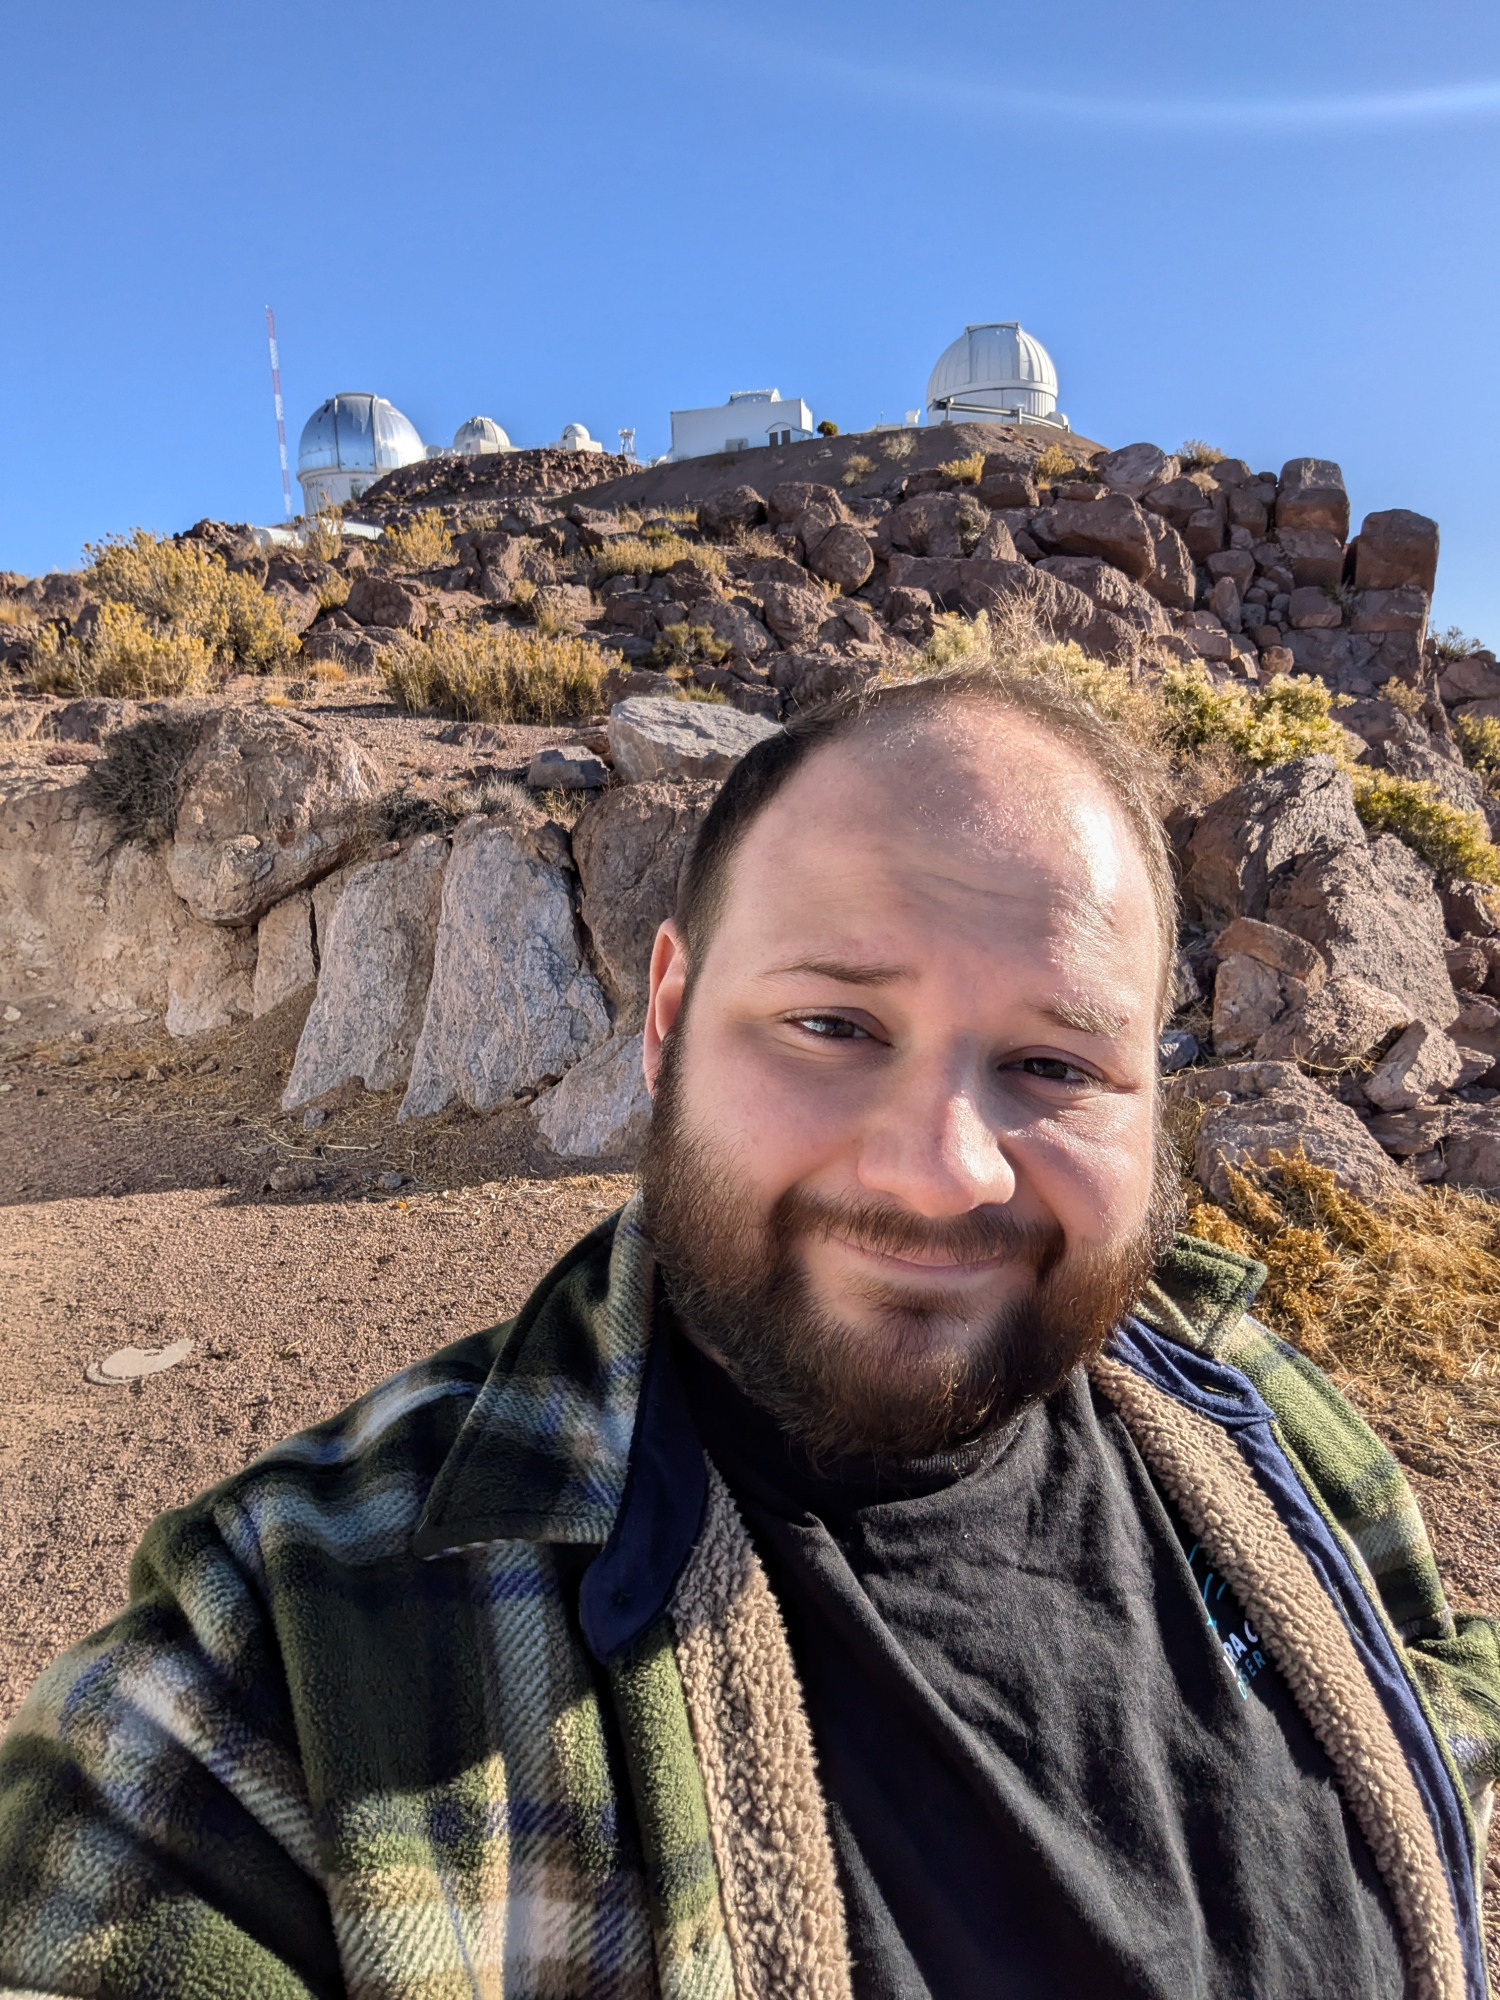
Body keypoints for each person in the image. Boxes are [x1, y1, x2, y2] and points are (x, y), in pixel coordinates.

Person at [1, 664, 1496, 2000]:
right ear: (668, 1016)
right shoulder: (303, 1646)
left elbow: (1438, 1709)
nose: (942, 1168)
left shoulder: (1257, 1409)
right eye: (834, 1026)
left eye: (1054, 1061)